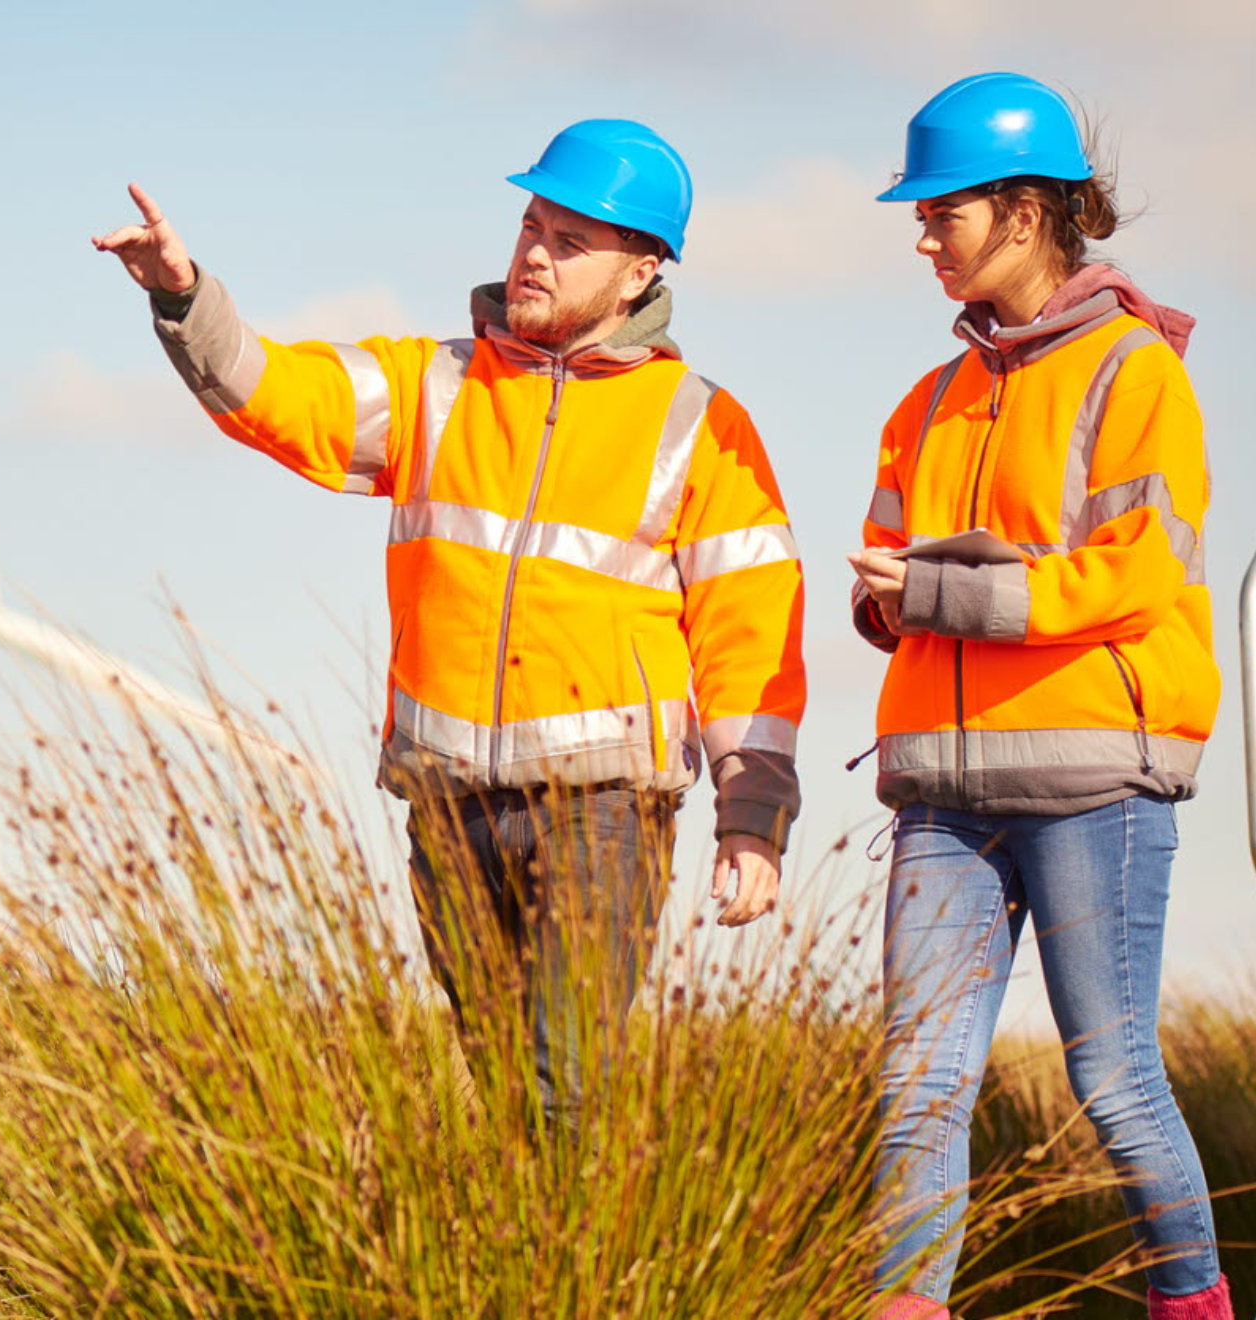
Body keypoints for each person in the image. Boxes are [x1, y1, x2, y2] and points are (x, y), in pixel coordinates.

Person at [94, 119, 806, 1123]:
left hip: (602, 811)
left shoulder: (699, 423)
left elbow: (750, 628)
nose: (533, 255)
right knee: (504, 1094)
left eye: (570, 241)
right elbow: (270, 391)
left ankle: (578, 1283)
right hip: (448, 803)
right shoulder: (433, 382)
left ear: (642, 272)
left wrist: (754, 814)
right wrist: (182, 295)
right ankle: (526, 1283)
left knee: (565, 1095)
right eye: (530, 226)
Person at [848, 74, 1231, 1319]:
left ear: (1022, 213)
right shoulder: (930, 398)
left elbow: (1141, 575)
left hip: (1094, 787)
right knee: (915, 1087)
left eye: (939, 210)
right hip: (941, 801)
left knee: (1114, 1077)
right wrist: (884, 598)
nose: (921, 236)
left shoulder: (1135, 373)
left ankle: (1193, 1304)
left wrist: (944, 596)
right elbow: (886, 561)